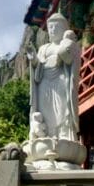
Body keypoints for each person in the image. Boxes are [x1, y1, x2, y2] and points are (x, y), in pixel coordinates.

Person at [27, 13, 81, 141]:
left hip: (60, 80)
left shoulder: (67, 45)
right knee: (45, 110)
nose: (52, 30)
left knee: (62, 108)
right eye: (50, 27)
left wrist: (66, 44)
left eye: (56, 27)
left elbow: (69, 61)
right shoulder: (44, 48)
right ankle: (47, 134)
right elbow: (37, 67)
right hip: (44, 82)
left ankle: (63, 134)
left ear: (63, 29)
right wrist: (33, 59)